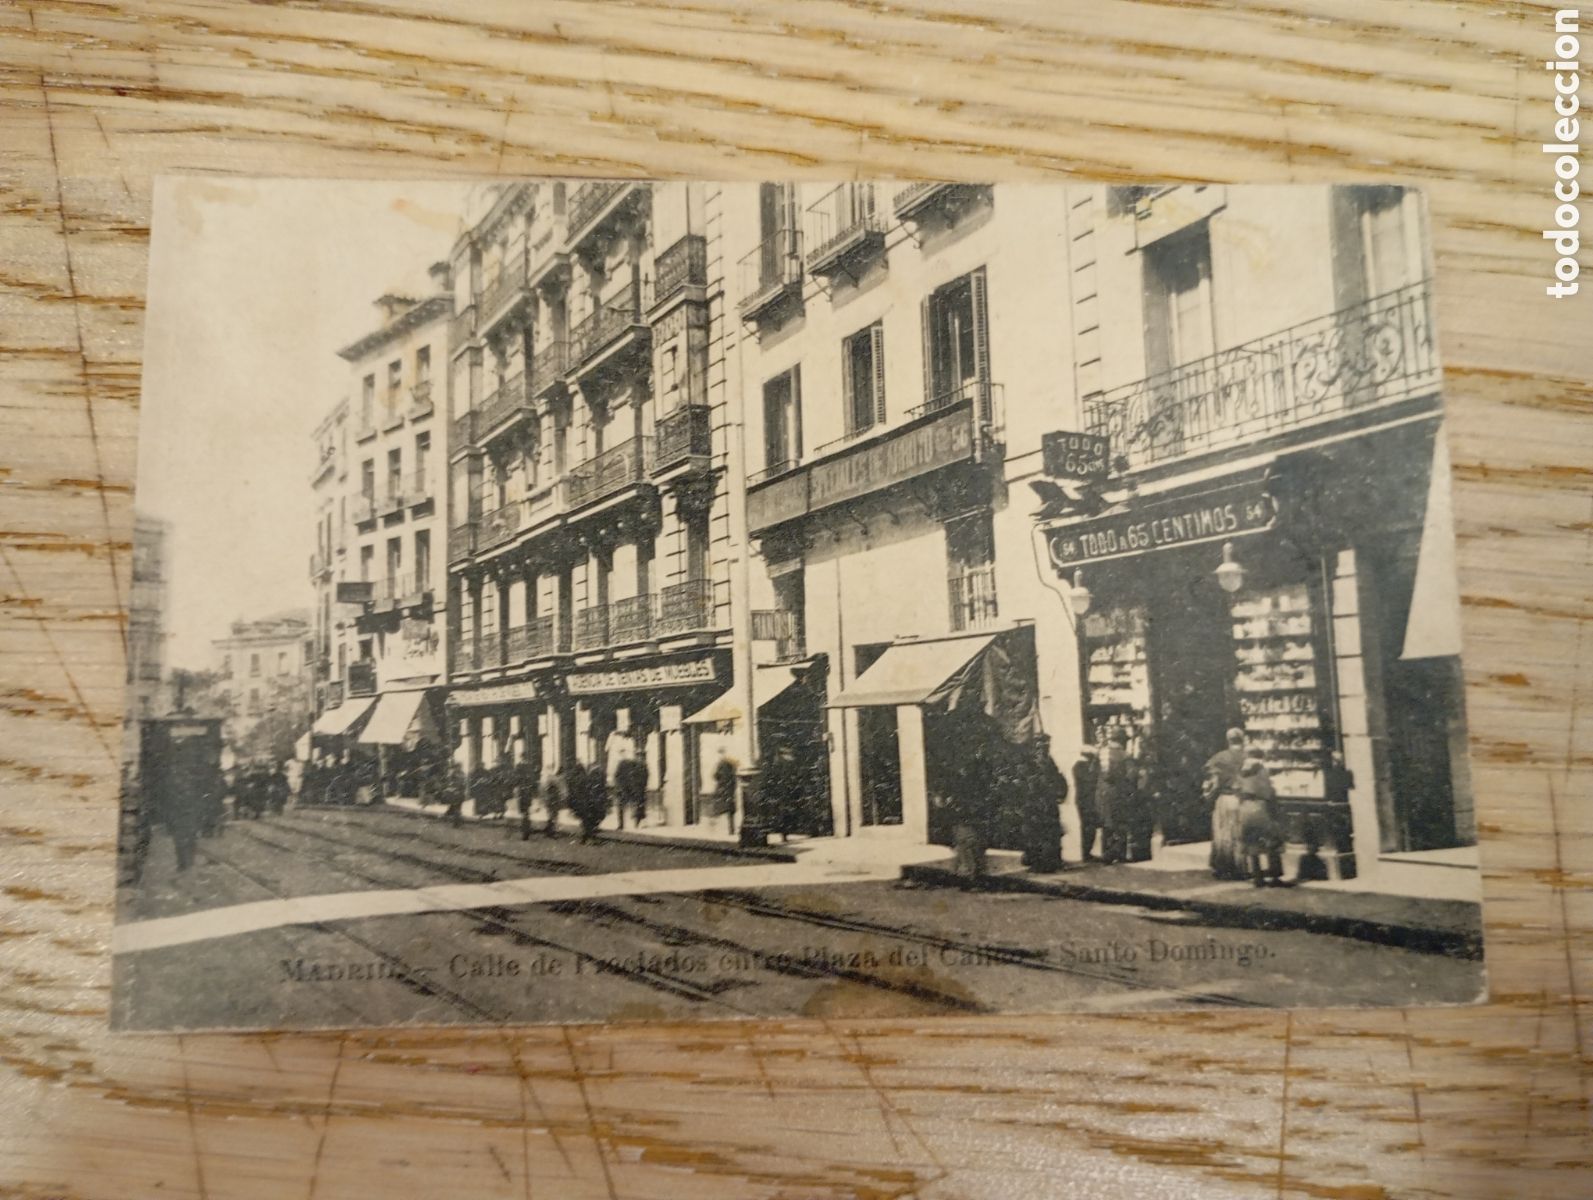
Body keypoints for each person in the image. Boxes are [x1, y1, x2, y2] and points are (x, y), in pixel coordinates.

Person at [1204, 727, 1248, 879]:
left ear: (1228, 740)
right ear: (1242, 739)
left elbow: (1215, 782)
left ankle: (1224, 867)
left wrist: (1208, 795)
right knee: (1239, 834)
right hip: (1242, 800)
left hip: (1225, 799)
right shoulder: (1248, 757)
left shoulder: (1220, 758)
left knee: (1223, 833)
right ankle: (1240, 866)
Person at [1237, 751, 1286, 887]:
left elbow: (1238, 790)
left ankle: (1258, 878)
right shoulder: (1262, 770)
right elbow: (1267, 792)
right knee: (1272, 843)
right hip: (1261, 808)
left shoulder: (1241, 771)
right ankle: (1275, 878)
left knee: (1252, 844)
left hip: (1246, 809)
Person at [1020, 734, 1066, 874]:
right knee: (1035, 833)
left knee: (1052, 832)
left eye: (1046, 745)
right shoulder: (1030, 762)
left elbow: (1058, 777)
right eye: (1041, 745)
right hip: (1034, 803)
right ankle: (1037, 862)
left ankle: (1053, 860)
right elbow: (1026, 781)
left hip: (1049, 802)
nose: (1044, 748)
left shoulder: (1049, 761)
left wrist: (1060, 791)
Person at [1096, 728, 1138, 864]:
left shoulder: (1102, 753)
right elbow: (1131, 776)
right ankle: (1119, 854)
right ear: (1122, 740)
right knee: (1121, 825)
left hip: (1102, 793)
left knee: (1106, 825)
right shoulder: (1125, 755)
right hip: (1118, 793)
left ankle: (1106, 854)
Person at [1072, 743, 1101, 863]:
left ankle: (1087, 852)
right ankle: (1086, 853)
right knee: (1087, 827)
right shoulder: (1079, 766)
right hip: (1084, 801)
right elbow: (1090, 779)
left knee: (1090, 827)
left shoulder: (1083, 766)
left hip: (1088, 800)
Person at [613, 745, 649, 830]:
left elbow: (645, 778)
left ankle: (633, 823)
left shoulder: (637, 765)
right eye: (638, 755)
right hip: (629, 789)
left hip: (633, 789)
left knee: (636, 806)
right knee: (628, 806)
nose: (639, 757)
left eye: (641, 755)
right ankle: (623, 824)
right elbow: (618, 776)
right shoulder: (634, 764)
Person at [713, 749, 739, 837]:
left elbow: (716, 776)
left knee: (724, 809)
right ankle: (731, 829)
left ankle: (729, 829)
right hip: (729, 790)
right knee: (730, 810)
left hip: (724, 790)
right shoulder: (730, 765)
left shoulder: (721, 764)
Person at [542, 769, 566, 838]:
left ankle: (549, 832)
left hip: (550, 801)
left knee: (551, 816)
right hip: (554, 801)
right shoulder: (556, 781)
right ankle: (552, 832)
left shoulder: (550, 780)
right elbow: (560, 791)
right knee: (554, 816)